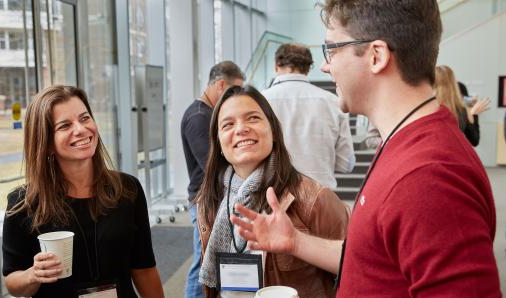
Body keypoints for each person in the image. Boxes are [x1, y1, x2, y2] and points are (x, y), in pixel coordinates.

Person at [232, 1, 501, 297]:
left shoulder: (429, 177)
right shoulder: (405, 144)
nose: (325, 65)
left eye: (332, 49)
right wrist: (296, 241)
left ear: (376, 56)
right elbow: (373, 256)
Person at [2, 85, 164, 298]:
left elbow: (143, 268)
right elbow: (12, 282)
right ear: (47, 142)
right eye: (65, 125)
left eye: (85, 118)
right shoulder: (24, 203)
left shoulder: (127, 189)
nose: (80, 129)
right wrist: (33, 275)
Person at [197, 85, 349, 298]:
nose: (240, 129)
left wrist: (298, 243)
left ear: (274, 132)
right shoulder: (210, 200)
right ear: (219, 143)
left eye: (253, 118)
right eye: (228, 124)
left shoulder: (313, 198)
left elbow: (359, 266)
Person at [181, 61, 245, 298]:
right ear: (221, 85)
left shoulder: (207, 113)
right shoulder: (198, 117)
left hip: (213, 197)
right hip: (204, 200)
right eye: (233, 90)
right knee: (202, 266)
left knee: (210, 262)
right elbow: (212, 166)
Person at [262, 43, 354, 189]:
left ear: (276, 65)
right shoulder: (333, 102)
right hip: (321, 200)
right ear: (308, 67)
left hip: (274, 197)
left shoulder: (260, 101)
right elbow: (345, 164)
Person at [435, 65, 490, 146]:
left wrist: (472, 113)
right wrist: (473, 114)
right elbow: (474, 140)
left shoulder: (428, 107)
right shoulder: (461, 110)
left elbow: (474, 140)